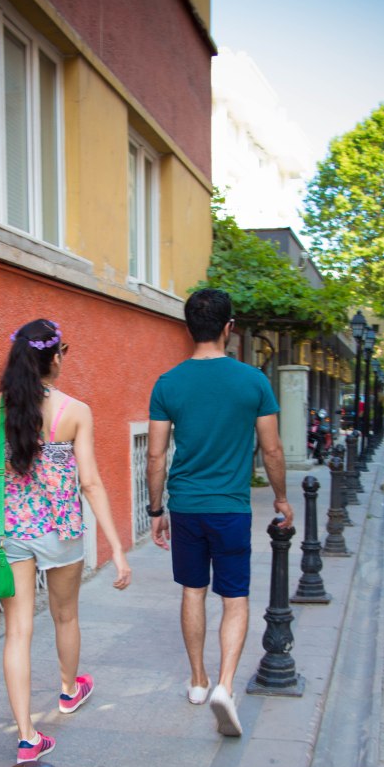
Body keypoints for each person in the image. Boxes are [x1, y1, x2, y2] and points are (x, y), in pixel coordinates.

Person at [0, 318, 131, 764]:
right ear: (54, 358)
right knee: (65, 615)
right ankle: (68, 691)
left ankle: (27, 737)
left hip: (12, 531)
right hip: (61, 531)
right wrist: (117, 548)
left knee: (18, 632)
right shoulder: (75, 411)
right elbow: (92, 483)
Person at [146, 289, 293, 737]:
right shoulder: (253, 382)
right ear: (230, 328)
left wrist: (156, 510)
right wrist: (282, 499)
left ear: (189, 327)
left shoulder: (168, 383)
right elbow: (272, 450)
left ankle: (197, 681)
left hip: (186, 506)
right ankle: (226, 686)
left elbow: (155, 458)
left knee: (193, 591)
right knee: (235, 597)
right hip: (231, 509)